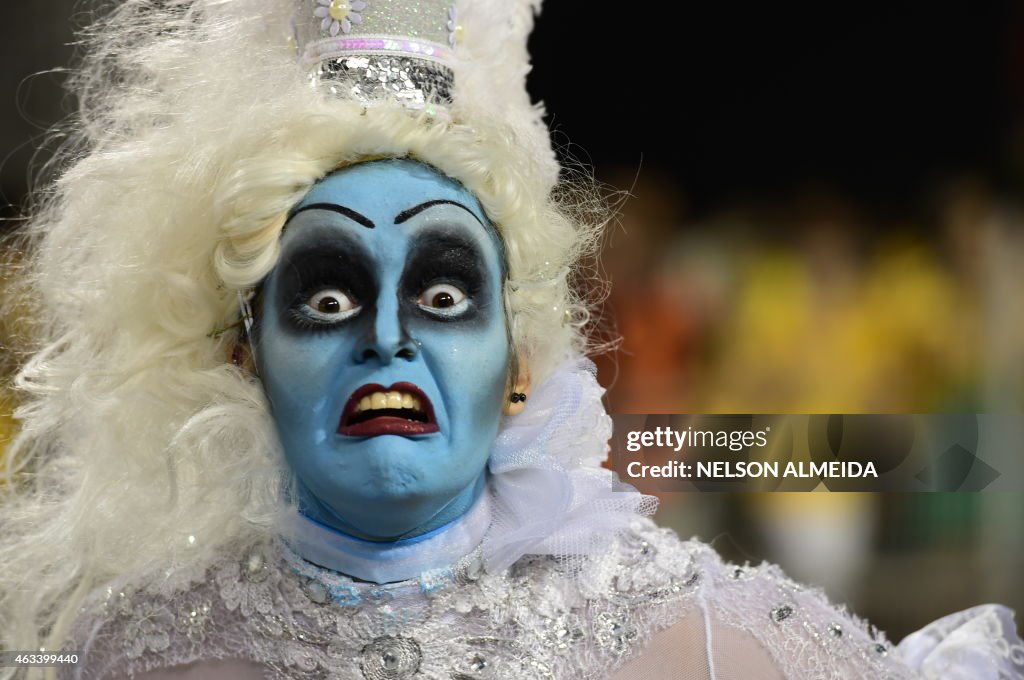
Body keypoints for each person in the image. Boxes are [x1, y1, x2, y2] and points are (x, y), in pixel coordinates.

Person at [1, 1, 1021, 678]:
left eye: (444, 294)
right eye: (324, 299)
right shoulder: (131, 646)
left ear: (520, 365)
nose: (387, 339)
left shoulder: (692, 633)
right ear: (244, 355)